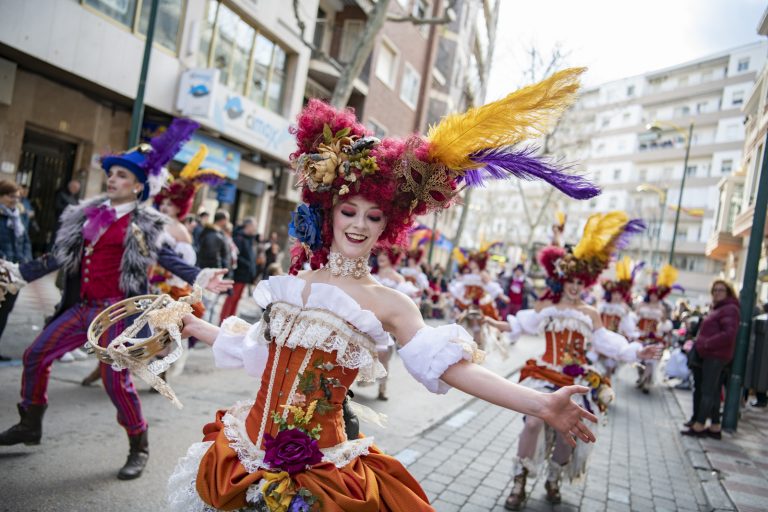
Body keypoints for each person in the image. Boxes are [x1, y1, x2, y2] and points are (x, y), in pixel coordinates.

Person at [166, 69, 605, 511]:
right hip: (244, 453)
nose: (358, 224)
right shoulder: (291, 284)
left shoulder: (389, 302)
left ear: (388, 225)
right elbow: (253, 352)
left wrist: (541, 403)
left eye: (373, 216)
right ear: (329, 211)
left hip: (323, 476)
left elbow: (454, 370)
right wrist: (190, 323)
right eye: (349, 210)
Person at [0, 119, 232, 480]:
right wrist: (18, 274)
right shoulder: (88, 216)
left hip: (118, 314)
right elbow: (59, 257)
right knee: (35, 355)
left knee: (115, 383)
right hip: (81, 309)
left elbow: (167, 257)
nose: (113, 179)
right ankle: (30, 422)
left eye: (122, 175)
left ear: (139, 185)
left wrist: (200, 275)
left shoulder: (144, 223)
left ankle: (139, 445)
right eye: (112, 174)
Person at [485, 212, 655, 510]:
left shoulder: (590, 313)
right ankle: (520, 480)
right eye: (570, 281)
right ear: (561, 280)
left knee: (569, 430)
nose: (575, 286)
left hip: (576, 379)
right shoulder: (547, 306)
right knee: (534, 422)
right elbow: (522, 324)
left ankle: (553, 479)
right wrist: (498, 324)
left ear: (586, 282)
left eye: (580, 281)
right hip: (544, 374)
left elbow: (606, 341)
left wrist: (635, 352)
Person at [681, 280, 740, 440]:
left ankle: (699, 425)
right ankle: (714, 426)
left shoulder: (730, 309)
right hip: (710, 354)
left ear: (728, 292)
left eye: (721, 290)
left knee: (707, 391)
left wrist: (706, 343)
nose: (717, 292)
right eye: (714, 290)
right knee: (712, 392)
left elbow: (729, 335)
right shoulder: (719, 308)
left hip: (715, 355)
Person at [371, 247, 420, 400]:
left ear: (393, 257)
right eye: (380, 254)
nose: (381, 257)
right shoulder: (370, 274)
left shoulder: (398, 279)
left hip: (385, 321)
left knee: (383, 353)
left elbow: (404, 303)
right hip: (366, 317)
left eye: (385, 254)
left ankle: (382, 389)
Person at [0, 180, 33, 361]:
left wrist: (25, 260)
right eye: (10, 196)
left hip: (15, 272)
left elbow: (25, 240)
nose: (14, 200)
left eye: (17, 197)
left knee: (5, 310)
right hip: (1, 269)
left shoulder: (18, 217)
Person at [635, 264, 677, 394]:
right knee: (639, 360)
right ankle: (642, 377)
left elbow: (665, 324)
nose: (654, 297)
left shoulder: (662, 308)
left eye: (656, 295)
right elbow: (635, 319)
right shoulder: (641, 304)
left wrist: (666, 335)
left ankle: (646, 382)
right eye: (652, 294)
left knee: (651, 360)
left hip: (655, 337)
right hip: (641, 335)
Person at [598, 257, 641, 377]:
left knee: (609, 369)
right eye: (614, 293)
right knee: (597, 367)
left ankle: (605, 390)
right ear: (609, 293)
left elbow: (627, 326)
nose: (616, 296)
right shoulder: (602, 306)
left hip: (615, 340)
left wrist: (632, 336)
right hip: (600, 337)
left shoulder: (623, 309)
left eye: (619, 294)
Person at [219, 217, 260, 322]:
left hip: (244, 275)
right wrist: (248, 265)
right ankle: (224, 320)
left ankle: (230, 321)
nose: (255, 228)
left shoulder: (250, 239)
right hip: (237, 274)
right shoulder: (239, 238)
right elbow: (236, 256)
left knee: (236, 299)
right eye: (254, 226)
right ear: (248, 226)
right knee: (231, 298)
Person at [197, 210, 232, 322]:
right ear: (222, 221)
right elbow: (212, 257)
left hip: (211, 274)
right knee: (205, 307)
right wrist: (219, 273)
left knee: (207, 307)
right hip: (211, 275)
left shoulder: (215, 233)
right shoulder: (214, 235)